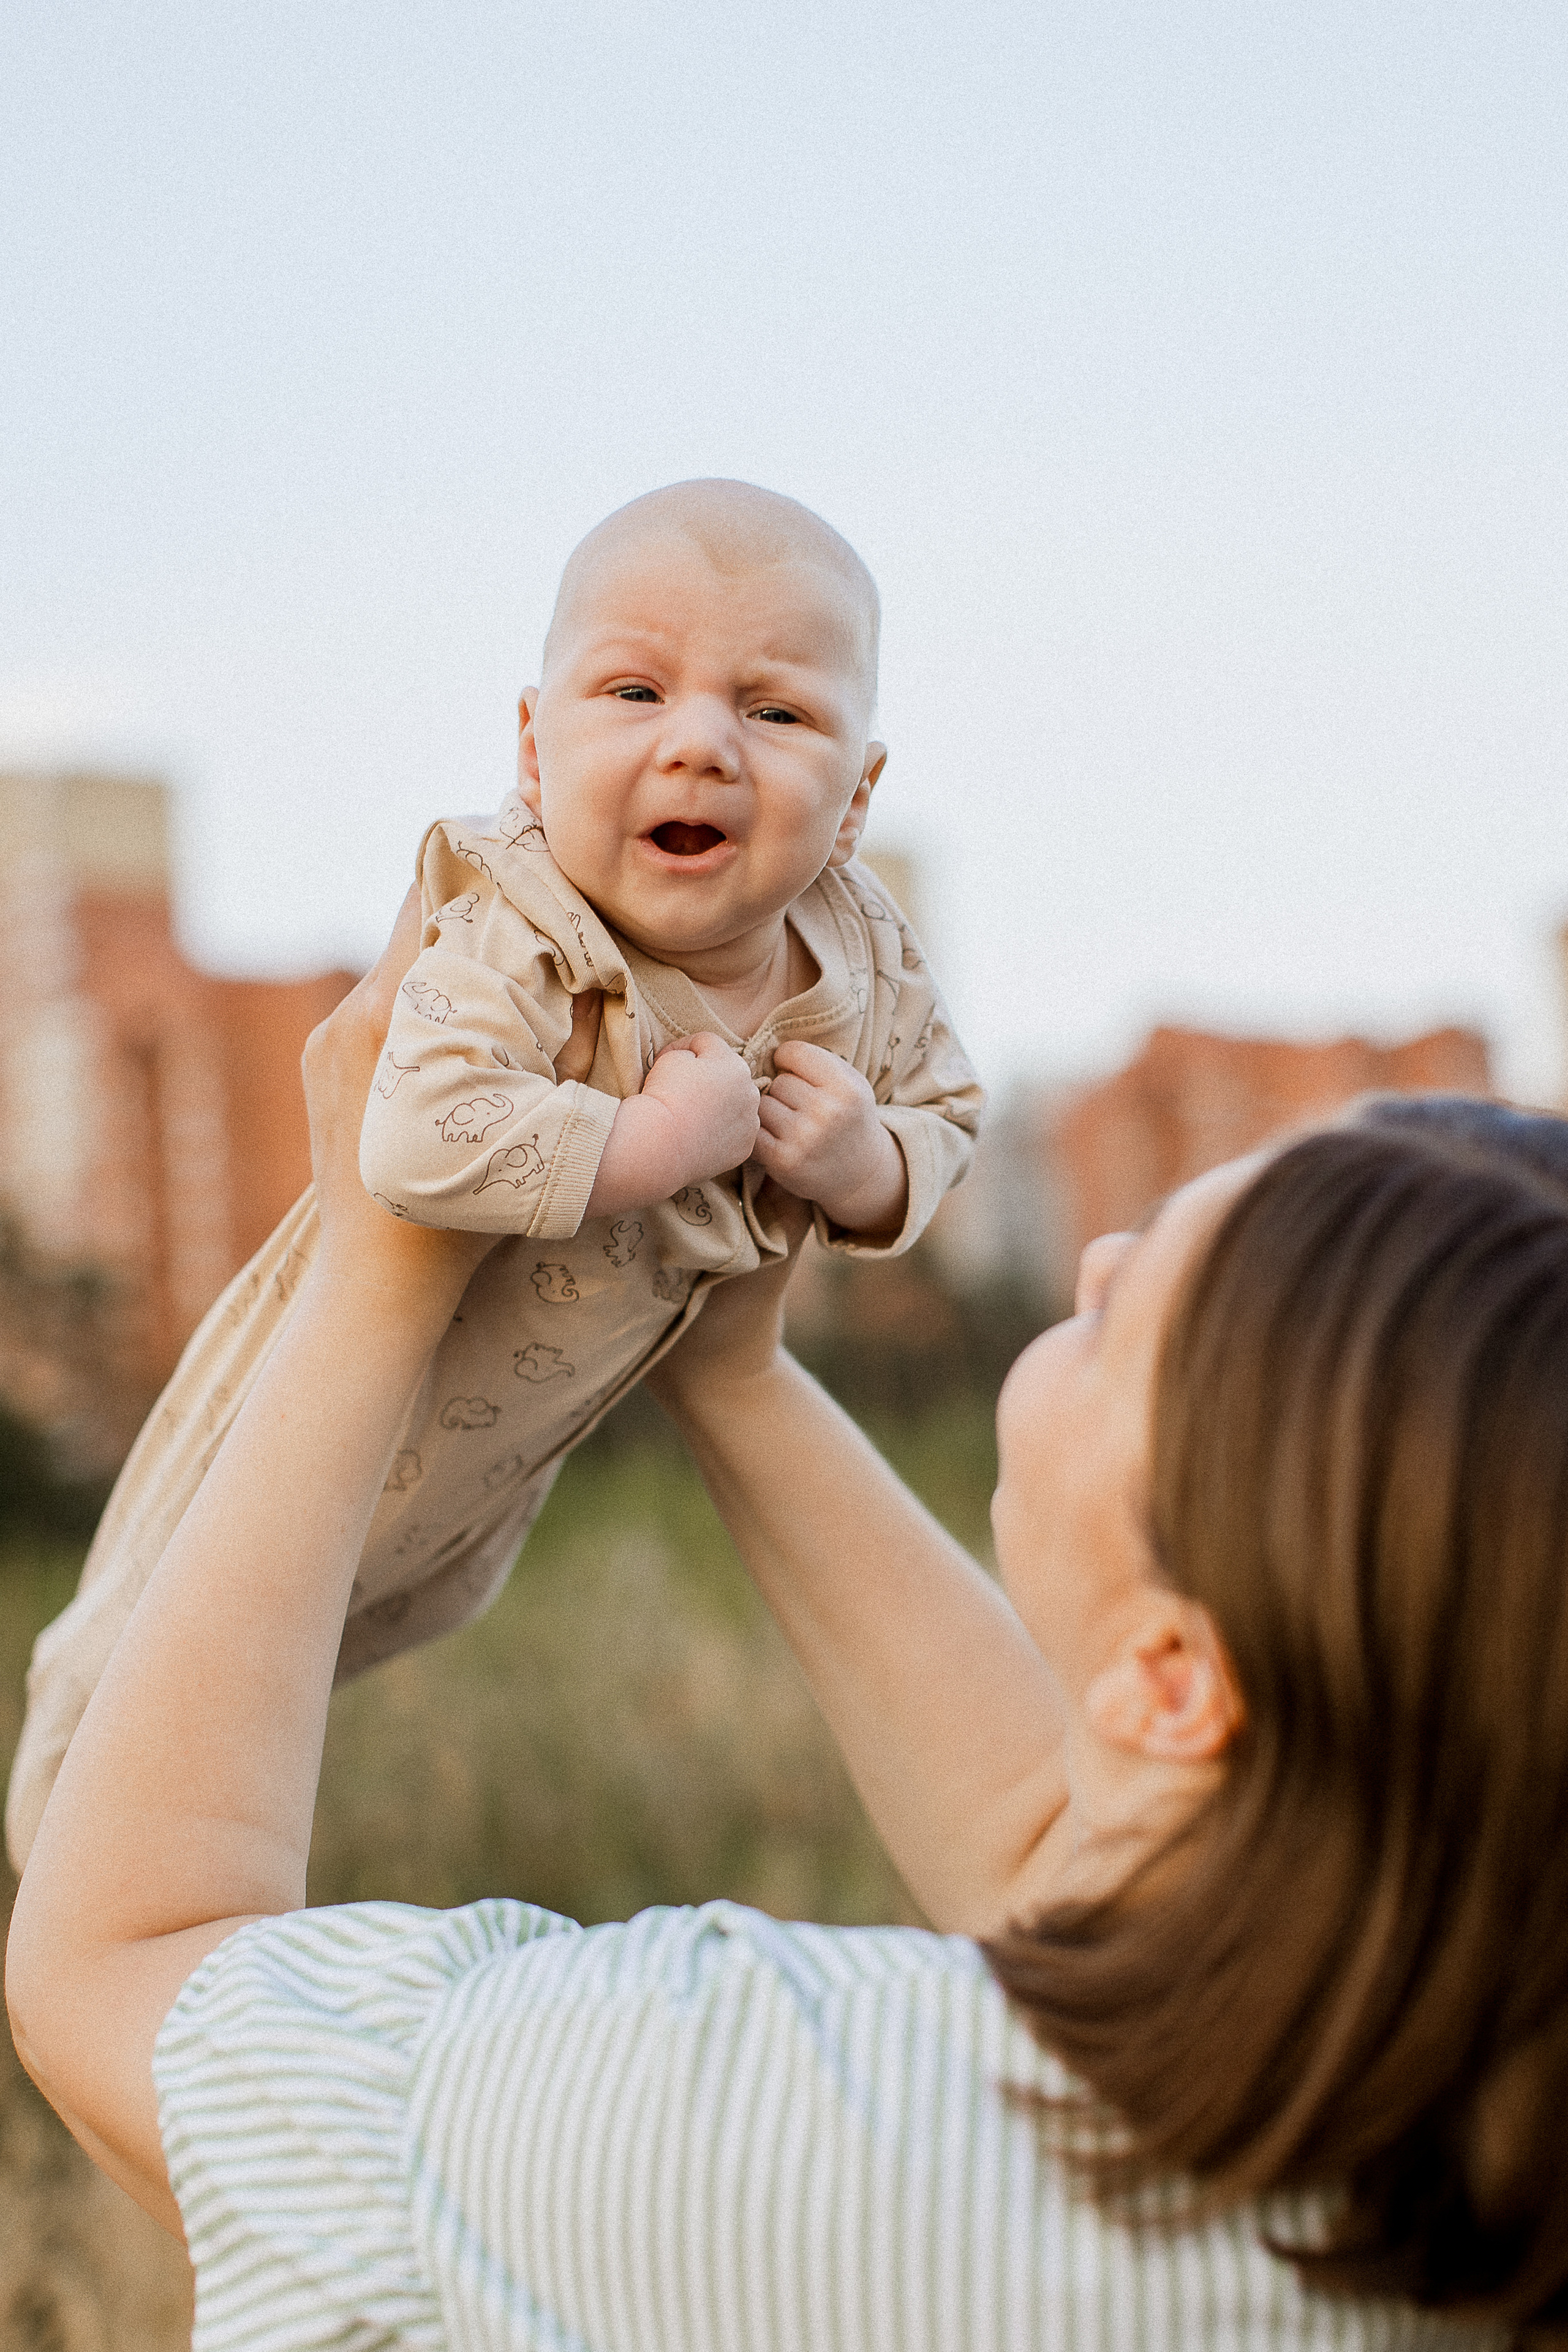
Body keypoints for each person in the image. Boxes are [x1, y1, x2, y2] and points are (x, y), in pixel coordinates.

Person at [7, 943, 1562, 2350]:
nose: (1094, 1260)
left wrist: (375, 1278)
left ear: (1171, 1681)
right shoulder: (1460, 2137)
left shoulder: (732, 2116)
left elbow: (123, 1972)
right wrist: (728, 1368)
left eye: (1136, 1310)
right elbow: (1062, 1855)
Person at [4, 477, 982, 1873]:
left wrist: (866, 1161)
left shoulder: (869, 955)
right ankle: (68, 1877)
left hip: (486, 1478)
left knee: (315, 1666)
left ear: (856, 797)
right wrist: (659, 1145)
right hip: (315, 1404)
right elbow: (411, 1136)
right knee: (144, 1648)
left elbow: (947, 1114)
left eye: (776, 712)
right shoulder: (516, 918)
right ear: (533, 748)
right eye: (634, 692)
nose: (699, 744)